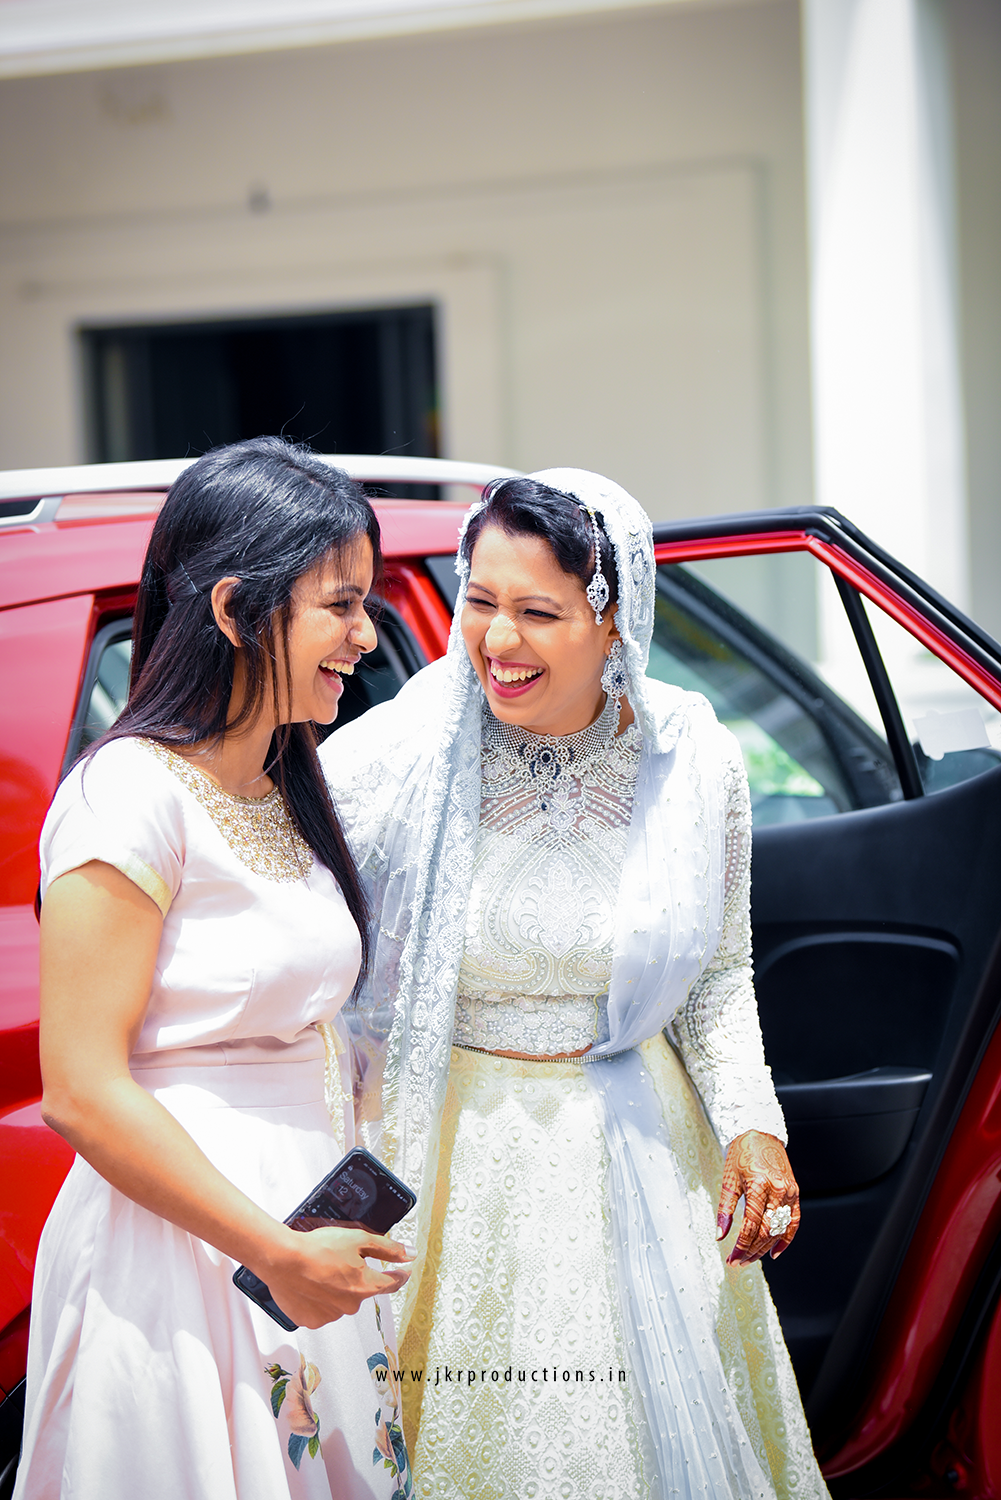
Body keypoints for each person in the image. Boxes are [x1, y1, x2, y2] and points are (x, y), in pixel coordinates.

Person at [321, 470, 830, 1500]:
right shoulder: (391, 758)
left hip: (647, 1152)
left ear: (611, 621)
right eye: (479, 600)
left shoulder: (694, 761)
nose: (497, 640)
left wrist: (752, 1125)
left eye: (538, 612)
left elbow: (717, 972)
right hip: (457, 1163)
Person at [16, 438, 414, 1500]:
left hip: (302, 1236)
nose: (365, 637)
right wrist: (270, 1252)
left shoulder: (283, 785)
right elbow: (82, 1090)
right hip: (186, 1247)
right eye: (340, 605)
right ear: (237, 610)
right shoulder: (125, 795)